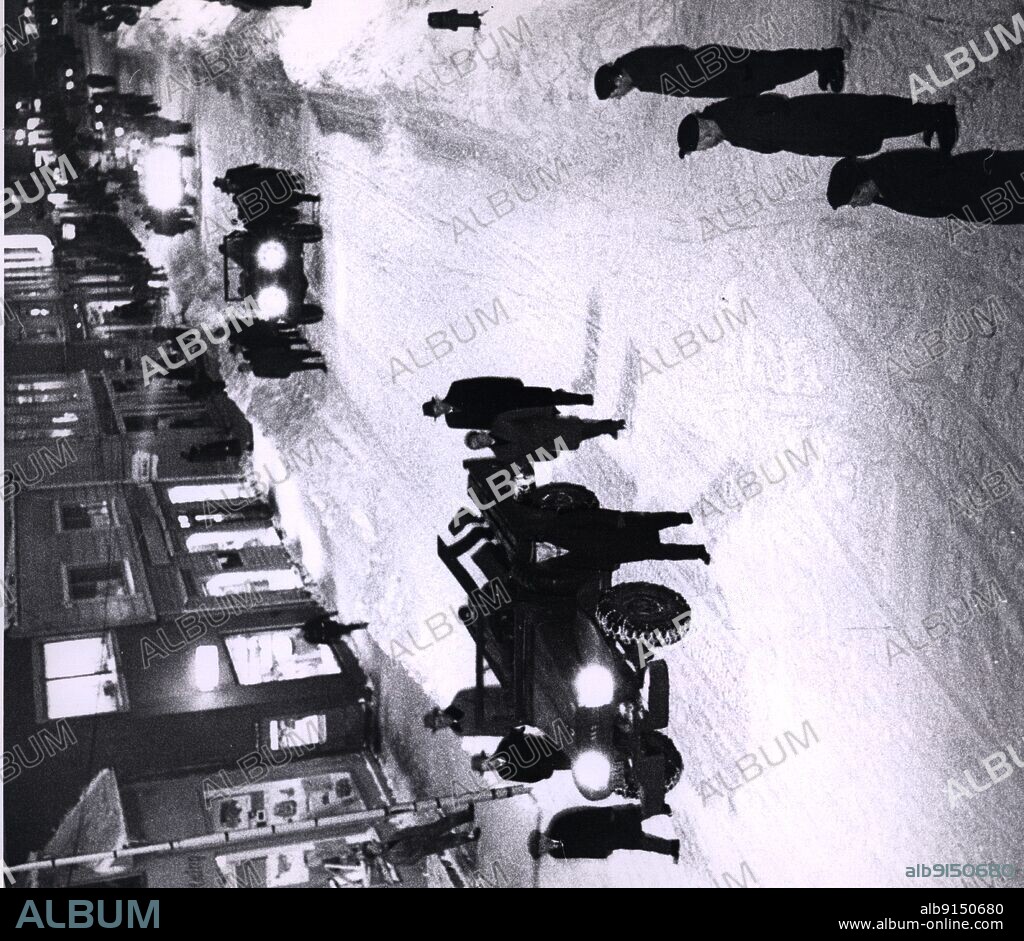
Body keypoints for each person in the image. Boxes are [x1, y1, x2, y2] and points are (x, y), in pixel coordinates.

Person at [677, 94, 959, 159]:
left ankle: (938, 115)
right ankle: (928, 117)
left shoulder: (733, 117)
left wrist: (819, 133)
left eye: (699, 145)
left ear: (703, 131)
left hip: (817, 120)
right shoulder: (728, 127)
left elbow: (775, 109)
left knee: (875, 118)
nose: (704, 149)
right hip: (811, 130)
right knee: (875, 122)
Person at [827, 148, 1024, 224]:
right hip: (985, 200)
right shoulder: (883, 185)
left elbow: (945, 178)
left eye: (852, 201)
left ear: (860, 188)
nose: (855, 206)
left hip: (991, 186)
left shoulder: (893, 175)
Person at [595, 44, 844, 100]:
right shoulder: (637, 73)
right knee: (772, 68)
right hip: (720, 72)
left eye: (614, 94)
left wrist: (733, 78)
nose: (618, 97)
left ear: (617, 80)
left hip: (724, 70)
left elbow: (687, 65)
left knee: (772, 68)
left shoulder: (639, 68)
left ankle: (826, 58)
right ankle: (819, 62)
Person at [507, 504, 710, 569]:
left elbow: (587, 516)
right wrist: (609, 564)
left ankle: (684, 517)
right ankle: (698, 551)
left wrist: (613, 518)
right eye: (538, 557)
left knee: (651, 522)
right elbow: (587, 567)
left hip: (615, 528)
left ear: (538, 543)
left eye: (538, 549)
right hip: (618, 551)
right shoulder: (558, 564)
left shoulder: (557, 529)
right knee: (659, 552)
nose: (542, 553)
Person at [325, 806, 480, 870]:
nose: (376, 844)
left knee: (443, 823)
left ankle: (467, 815)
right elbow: (411, 860)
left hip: (423, 833)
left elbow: (406, 832)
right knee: (449, 841)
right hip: (425, 846)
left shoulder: (389, 839)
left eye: (372, 843)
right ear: (376, 853)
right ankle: (470, 836)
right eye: (373, 848)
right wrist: (422, 850)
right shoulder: (392, 858)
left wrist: (418, 830)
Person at [464, 408, 624, 466]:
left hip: (546, 426)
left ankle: (613, 425)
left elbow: (524, 413)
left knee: (579, 426)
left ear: (480, 432)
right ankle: (608, 427)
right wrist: (547, 455)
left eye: (477, 439)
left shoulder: (500, 422)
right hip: (548, 444)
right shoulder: (502, 455)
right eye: (478, 445)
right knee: (579, 437)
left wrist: (546, 411)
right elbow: (526, 459)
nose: (480, 442)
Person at [424, 377, 594, 429]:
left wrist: (510, 383)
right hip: (508, 416)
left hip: (509, 396)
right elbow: (481, 425)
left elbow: (485, 381)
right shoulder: (453, 422)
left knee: (548, 398)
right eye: (437, 412)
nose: (440, 410)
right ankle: (584, 425)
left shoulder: (456, 388)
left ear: (437, 400)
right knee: (544, 419)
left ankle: (582, 399)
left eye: (436, 406)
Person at [528, 805, 679, 862]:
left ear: (541, 836)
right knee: (640, 842)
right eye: (541, 850)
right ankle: (673, 847)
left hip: (605, 821)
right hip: (606, 840)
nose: (543, 847)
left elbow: (582, 813)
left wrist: (605, 813)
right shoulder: (557, 854)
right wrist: (601, 853)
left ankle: (662, 807)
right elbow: (581, 853)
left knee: (636, 814)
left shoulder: (557, 823)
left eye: (540, 844)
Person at [471, 725, 572, 783]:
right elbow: (530, 779)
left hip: (552, 744)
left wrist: (516, 733)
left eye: (484, 762)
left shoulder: (505, 744)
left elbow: (523, 734)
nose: (487, 765)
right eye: (483, 767)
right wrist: (544, 772)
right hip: (555, 762)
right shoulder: (505, 774)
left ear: (486, 757)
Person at [301, 614, 368, 644]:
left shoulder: (307, 625)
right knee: (346, 629)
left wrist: (329, 615)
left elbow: (318, 618)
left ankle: (361, 625)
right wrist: (333, 641)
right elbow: (321, 641)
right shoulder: (308, 639)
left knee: (346, 628)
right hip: (330, 634)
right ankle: (361, 625)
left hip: (329, 626)